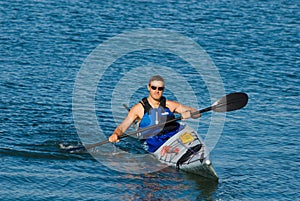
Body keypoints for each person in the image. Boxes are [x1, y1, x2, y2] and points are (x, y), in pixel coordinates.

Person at [109, 75, 201, 152]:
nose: (157, 91)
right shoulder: (138, 109)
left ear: (163, 89)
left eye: (160, 88)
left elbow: (197, 113)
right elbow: (122, 128)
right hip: (152, 141)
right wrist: (115, 134)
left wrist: (191, 113)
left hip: (174, 136)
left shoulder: (170, 105)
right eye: (154, 88)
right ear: (148, 87)